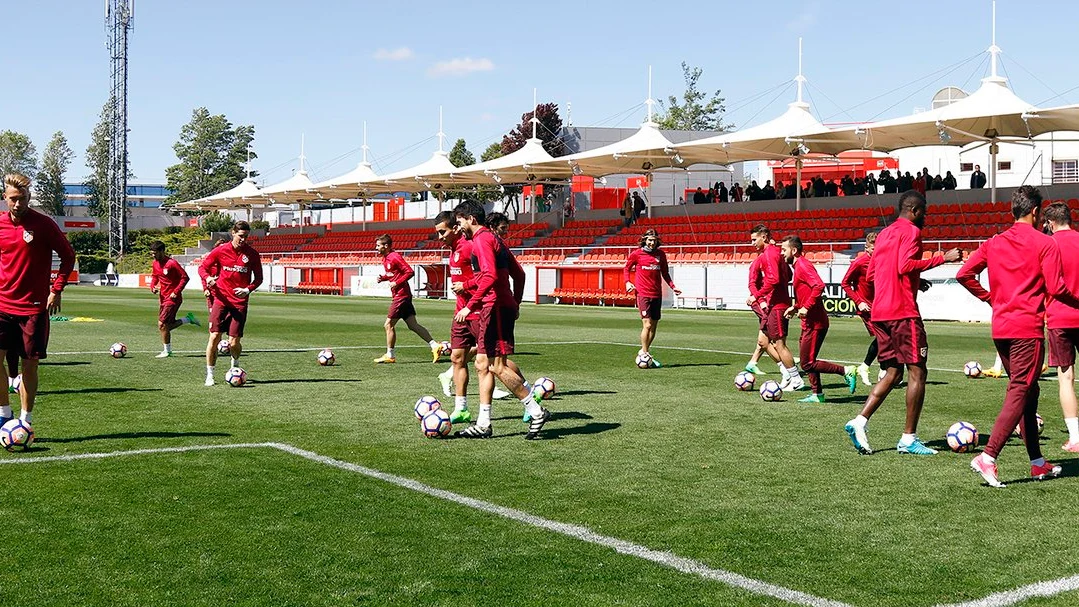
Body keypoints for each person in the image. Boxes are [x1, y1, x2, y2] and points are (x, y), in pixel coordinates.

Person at [958, 186, 1070, 487]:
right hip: (1026, 329)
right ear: (1035, 212)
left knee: (1029, 392)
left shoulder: (994, 242)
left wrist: (989, 297)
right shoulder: (1044, 243)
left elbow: (963, 274)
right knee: (1021, 390)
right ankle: (988, 456)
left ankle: (1036, 462)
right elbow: (1056, 288)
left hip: (1001, 329)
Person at [844, 191, 961, 456]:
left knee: (893, 371)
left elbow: (873, 274)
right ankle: (909, 438)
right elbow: (905, 265)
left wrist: (916, 282)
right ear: (915, 211)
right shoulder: (911, 232)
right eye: (925, 213)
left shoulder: (884, 234)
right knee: (918, 372)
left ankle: (859, 421)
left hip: (881, 313)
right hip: (903, 313)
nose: (926, 218)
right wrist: (944, 257)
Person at [452, 200, 549, 439]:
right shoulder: (496, 241)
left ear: (471, 219)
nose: (459, 227)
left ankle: (536, 410)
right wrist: (514, 302)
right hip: (498, 306)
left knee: (497, 366)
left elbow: (489, 275)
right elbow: (519, 274)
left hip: (492, 308)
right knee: (482, 365)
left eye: (460, 221)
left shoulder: (482, 239)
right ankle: (484, 423)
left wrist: (471, 305)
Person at [0, 173, 76, 428]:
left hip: (33, 308)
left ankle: (25, 419)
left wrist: (56, 289)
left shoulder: (44, 224)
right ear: (5, 198)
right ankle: (4, 414)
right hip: (2, 305)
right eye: (13, 199)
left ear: (29, 198)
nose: (18, 204)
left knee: (29, 367)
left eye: (22, 199)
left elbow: (68, 256)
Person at [782, 236, 857, 403]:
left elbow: (819, 286)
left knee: (807, 363)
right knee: (808, 360)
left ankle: (846, 371)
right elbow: (808, 292)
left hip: (815, 323)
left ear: (793, 251)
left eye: (784, 250)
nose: (781, 253)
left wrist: (806, 307)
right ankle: (817, 394)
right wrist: (795, 308)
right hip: (809, 322)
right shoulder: (798, 266)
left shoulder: (802, 265)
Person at [198, 220, 263, 386]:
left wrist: (248, 289)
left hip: (239, 303)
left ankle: (235, 364)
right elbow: (202, 268)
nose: (243, 239)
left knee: (234, 341)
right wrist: (208, 279)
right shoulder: (220, 251)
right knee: (214, 336)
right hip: (221, 299)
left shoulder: (252, 254)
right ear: (233, 233)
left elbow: (259, 278)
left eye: (246, 236)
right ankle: (210, 374)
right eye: (241, 236)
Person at [372, 234, 443, 364]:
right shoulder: (386, 258)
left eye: (378, 245)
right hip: (403, 295)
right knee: (412, 325)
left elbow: (409, 271)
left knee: (388, 325)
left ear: (386, 246)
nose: (376, 248)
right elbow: (394, 273)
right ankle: (435, 345)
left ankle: (390, 355)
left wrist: (397, 283)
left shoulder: (394, 257)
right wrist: (384, 278)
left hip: (401, 296)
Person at [1042, 202, 1079, 451]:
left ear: (1050, 223)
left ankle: (1076, 436)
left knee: (1066, 377)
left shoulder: (1048, 245)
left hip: (1059, 318)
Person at [749, 225, 804, 391]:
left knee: (779, 344)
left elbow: (774, 279)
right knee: (764, 341)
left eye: (754, 239)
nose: (752, 243)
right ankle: (787, 373)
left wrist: (757, 295)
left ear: (764, 237)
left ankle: (796, 379)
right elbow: (788, 275)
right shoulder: (776, 253)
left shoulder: (769, 254)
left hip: (777, 305)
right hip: (777, 302)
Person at [624, 229, 681, 368]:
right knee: (647, 324)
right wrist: (627, 282)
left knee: (654, 326)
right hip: (643, 293)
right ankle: (644, 354)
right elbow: (626, 268)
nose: (651, 243)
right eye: (649, 240)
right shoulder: (637, 254)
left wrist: (673, 287)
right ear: (644, 240)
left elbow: (665, 273)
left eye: (654, 240)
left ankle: (645, 352)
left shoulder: (660, 255)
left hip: (657, 294)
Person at [149, 240, 199, 358]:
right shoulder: (155, 263)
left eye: (155, 253)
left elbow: (185, 277)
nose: (153, 255)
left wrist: (176, 292)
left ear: (162, 251)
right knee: (167, 325)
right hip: (163, 297)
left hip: (173, 299)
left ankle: (167, 351)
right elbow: (155, 276)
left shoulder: (172, 263)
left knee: (162, 325)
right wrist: (153, 286)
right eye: (151, 253)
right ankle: (187, 319)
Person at [841, 232, 879, 386]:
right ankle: (873, 368)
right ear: (867, 248)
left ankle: (871, 368)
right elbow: (844, 283)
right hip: (867, 308)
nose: (876, 251)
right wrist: (859, 301)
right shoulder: (859, 262)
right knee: (884, 339)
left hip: (881, 305)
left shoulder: (882, 261)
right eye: (872, 249)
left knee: (889, 338)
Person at [745, 236, 784, 376]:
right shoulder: (757, 262)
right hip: (760, 302)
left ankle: (753, 362)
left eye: (754, 240)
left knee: (765, 334)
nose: (752, 243)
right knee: (767, 335)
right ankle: (785, 364)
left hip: (767, 301)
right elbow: (752, 284)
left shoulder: (771, 258)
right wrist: (759, 299)